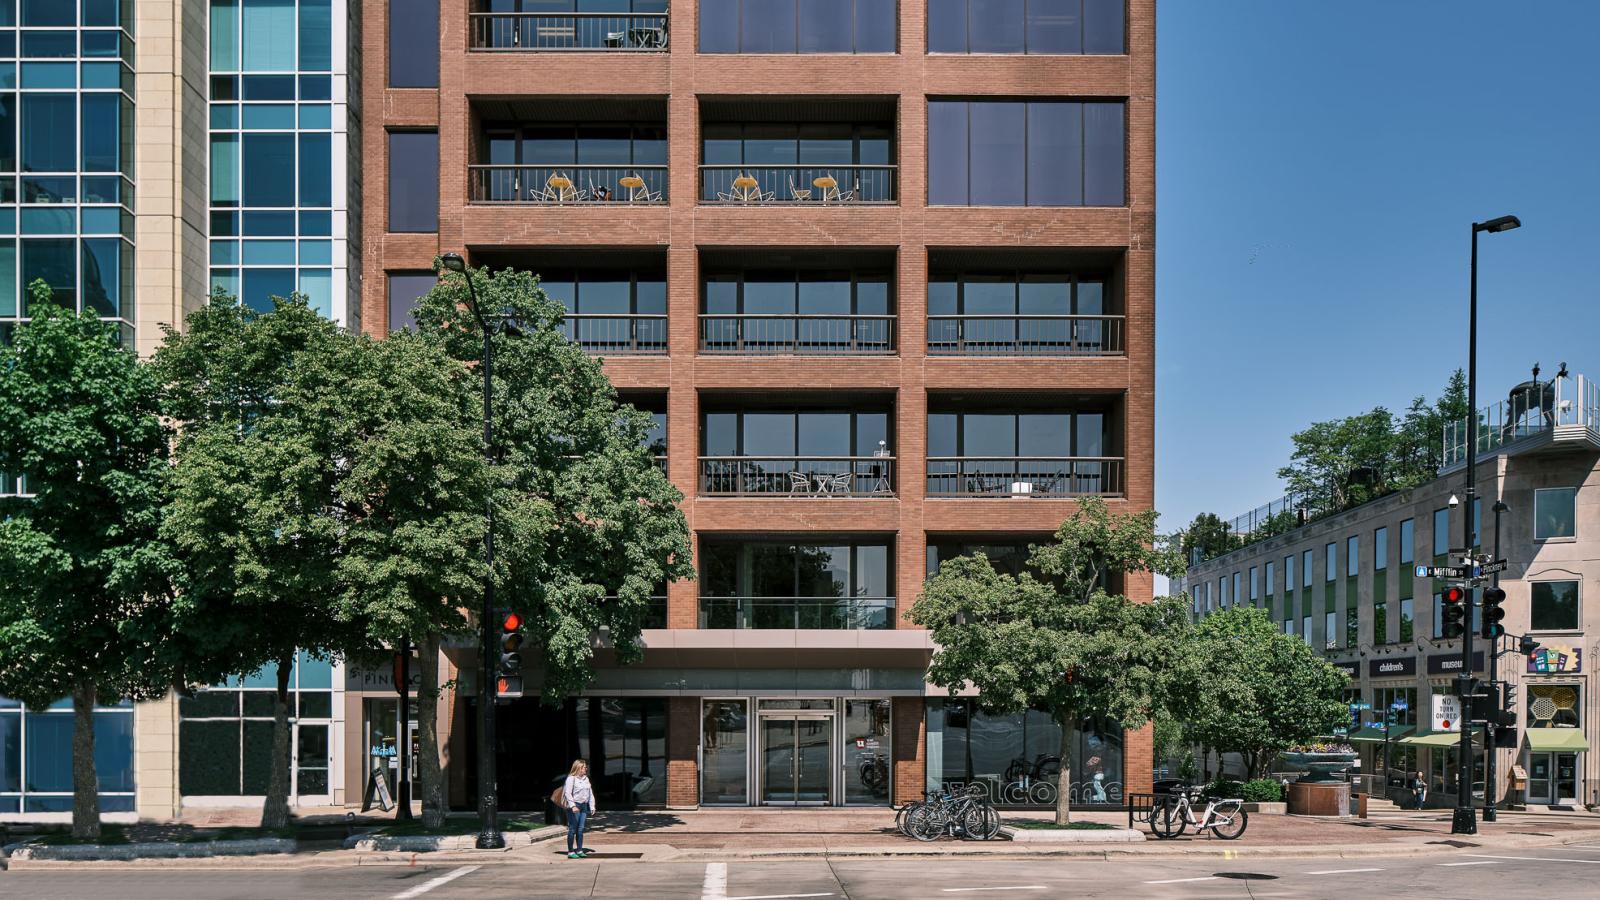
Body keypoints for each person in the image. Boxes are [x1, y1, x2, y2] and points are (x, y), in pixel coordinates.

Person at [564, 758, 596, 859]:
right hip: (575, 806)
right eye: (583, 767)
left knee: (580, 829)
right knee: (573, 829)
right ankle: (570, 852)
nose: (585, 769)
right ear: (578, 768)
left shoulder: (586, 779)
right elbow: (567, 793)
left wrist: (592, 805)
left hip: (584, 806)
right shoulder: (571, 778)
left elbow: (590, 793)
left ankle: (579, 850)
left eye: (585, 767)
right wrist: (573, 806)